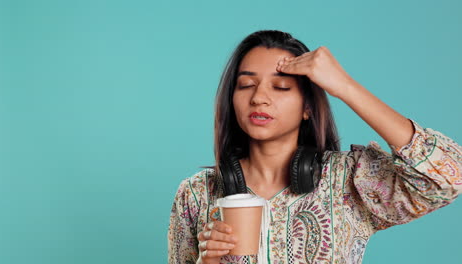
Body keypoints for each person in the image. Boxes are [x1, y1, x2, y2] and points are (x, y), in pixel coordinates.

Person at [167, 30, 462, 264]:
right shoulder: (196, 194)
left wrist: (345, 86)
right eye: (246, 85)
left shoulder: (349, 181)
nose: (259, 98)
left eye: (280, 87)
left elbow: (449, 176)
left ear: (308, 107)